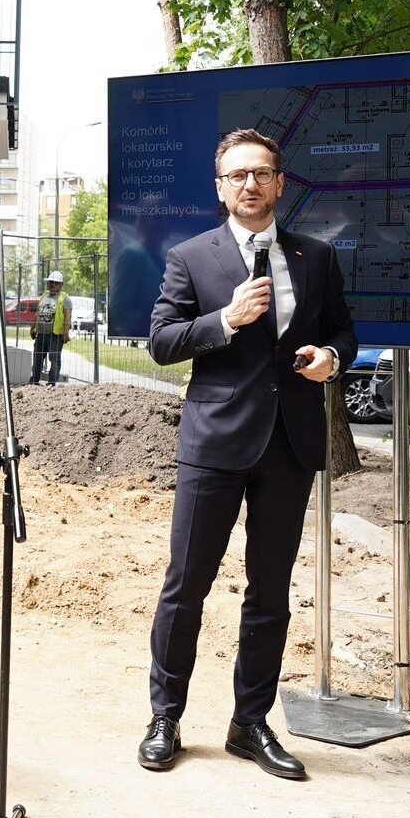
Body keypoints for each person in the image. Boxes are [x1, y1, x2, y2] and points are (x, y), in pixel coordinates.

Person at [138, 128, 356, 781]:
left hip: (289, 445)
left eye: (261, 173)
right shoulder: (190, 258)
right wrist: (225, 321)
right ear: (220, 188)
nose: (249, 185)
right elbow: (161, 342)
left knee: (270, 594)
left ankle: (249, 723)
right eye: (237, 175)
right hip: (213, 446)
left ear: (280, 183)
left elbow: (342, 327)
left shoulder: (315, 258)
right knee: (186, 588)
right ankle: (165, 716)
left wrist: (331, 357)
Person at [28, 270, 73, 386]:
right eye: (50, 282)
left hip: (55, 334)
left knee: (54, 358)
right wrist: (33, 328)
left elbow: (68, 317)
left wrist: (66, 333)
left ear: (61, 285)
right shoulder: (44, 296)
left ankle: (52, 382)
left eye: (55, 283)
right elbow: (37, 313)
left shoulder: (65, 299)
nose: (52, 285)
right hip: (41, 333)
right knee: (37, 357)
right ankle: (34, 381)